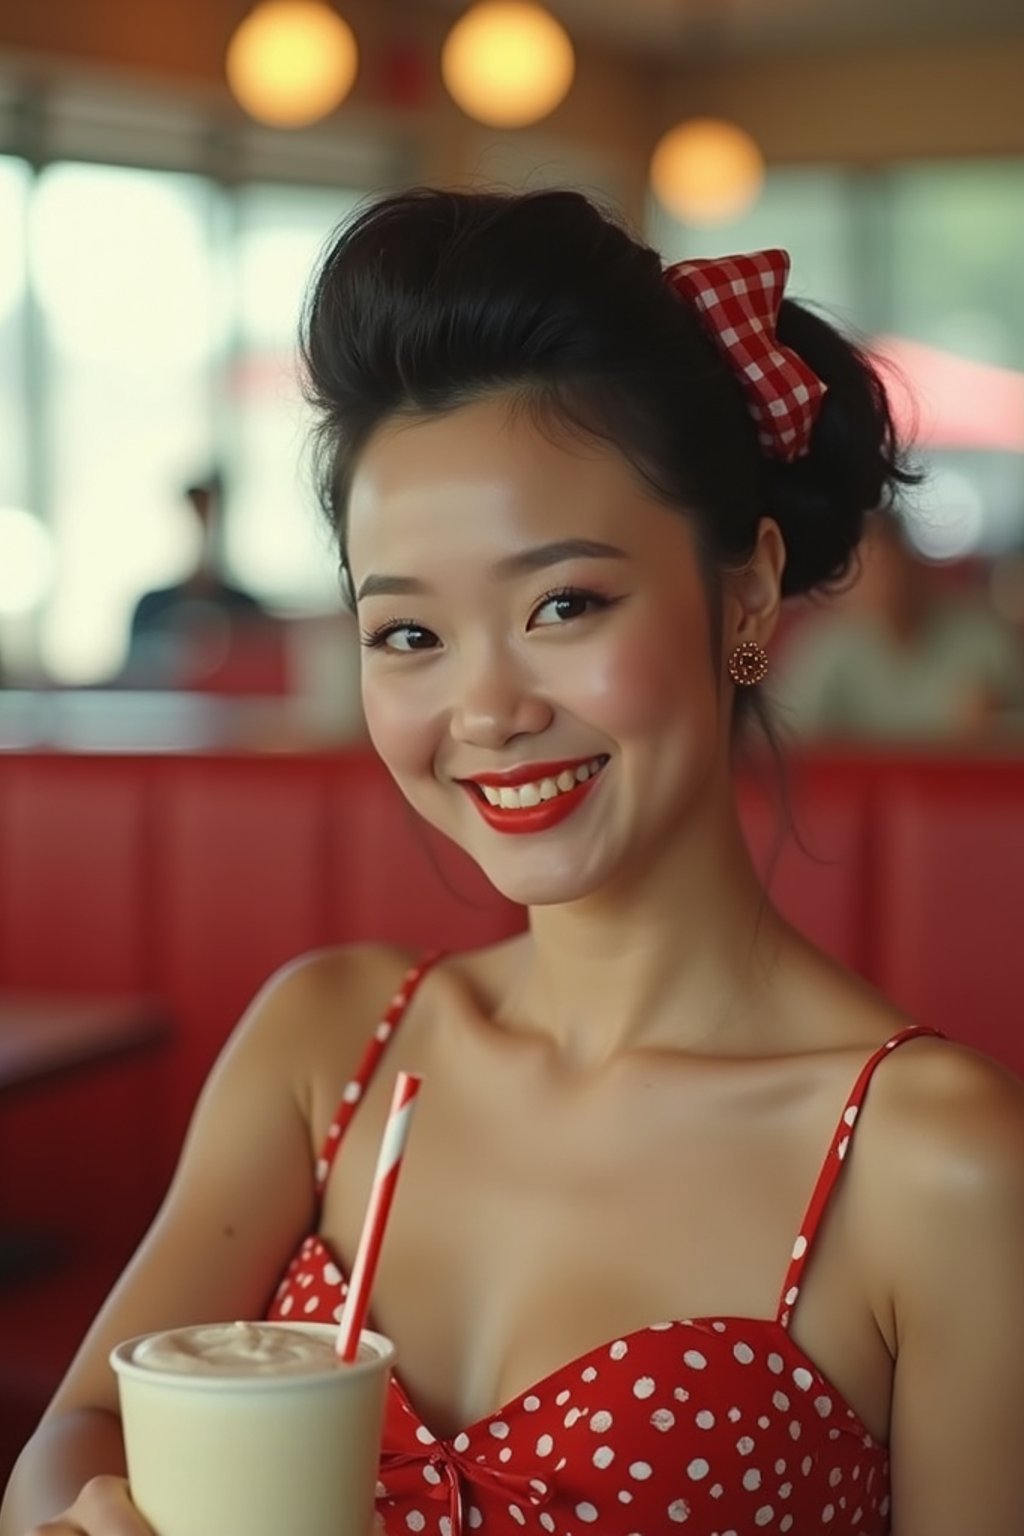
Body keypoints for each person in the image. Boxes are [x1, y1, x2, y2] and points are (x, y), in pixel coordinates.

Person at [4, 188, 1024, 1536]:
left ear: (748, 591)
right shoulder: (327, 1048)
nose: (485, 712)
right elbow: (85, 1428)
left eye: (564, 604)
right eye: (410, 635)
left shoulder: (935, 1161)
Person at [773, 506, 1024, 741]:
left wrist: (994, 724)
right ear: (846, 585)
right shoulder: (823, 646)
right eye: (869, 572)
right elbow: (787, 737)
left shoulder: (982, 635)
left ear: (915, 567)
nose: (885, 584)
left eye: (891, 566)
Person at [121, 473, 267, 687]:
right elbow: (133, 683)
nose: (202, 528)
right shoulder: (150, 607)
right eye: (196, 515)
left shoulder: (247, 610)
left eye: (209, 518)